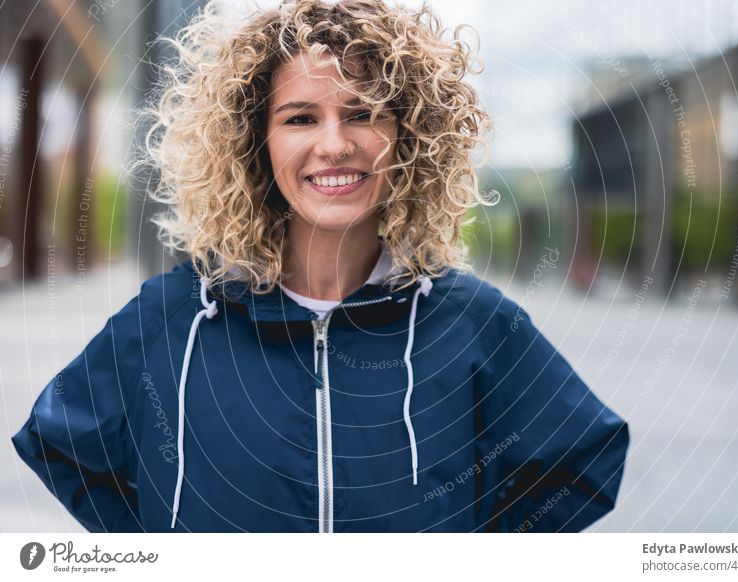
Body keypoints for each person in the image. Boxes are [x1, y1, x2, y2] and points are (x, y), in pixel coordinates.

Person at [12, 0, 629, 533]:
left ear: (407, 136)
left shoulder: (474, 323)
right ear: (257, 144)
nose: (334, 143)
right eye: (301, 117)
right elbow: (63, 444)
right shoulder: (174, 317)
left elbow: (580, 461)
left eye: (362, 113)